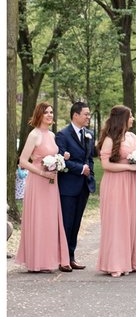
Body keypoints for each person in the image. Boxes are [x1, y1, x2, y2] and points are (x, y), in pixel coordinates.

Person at [14, 103, 71, 272]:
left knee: (49, 221)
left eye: (52, 112)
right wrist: (41, 173)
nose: (50, 115)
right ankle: (36, 261)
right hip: (38, 182)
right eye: (46, 112)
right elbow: (23, 161)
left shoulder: (52, 134)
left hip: (51, 183)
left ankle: (48, 260)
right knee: (39, 219)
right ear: (39, 114)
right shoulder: (34, 135)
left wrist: (62, 157)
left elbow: (51, 156)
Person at [95, 106, 136, 277]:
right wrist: (129, 167)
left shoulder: (132, 137)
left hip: (131, 183)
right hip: (115, 183)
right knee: (117, 222)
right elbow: (106, 165)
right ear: (122, 119)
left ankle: (130, 261)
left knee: (131, 220)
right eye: (130, 116)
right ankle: (115, 263)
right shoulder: (110, 139)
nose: (133, 118)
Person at [54, 101, 95, 270]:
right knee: (67, 223)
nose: (88, 117)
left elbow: (90, 158)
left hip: (83, 186)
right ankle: (62, 258)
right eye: (86, 114)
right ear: (75, 115)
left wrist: (90, 172)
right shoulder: (62, 135)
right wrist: (80, 169)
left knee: (77, 223)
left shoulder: (89, 134)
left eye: (89, 114)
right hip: (68, 186)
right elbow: (60, 160)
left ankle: (71, 256)